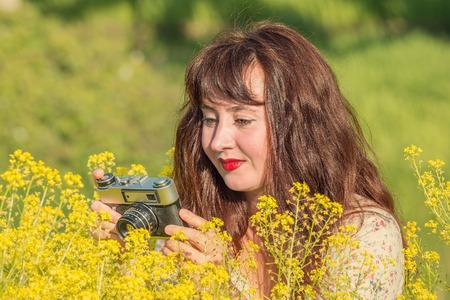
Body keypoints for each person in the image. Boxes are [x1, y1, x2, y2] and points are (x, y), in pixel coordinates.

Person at [91, 22, 404, 299]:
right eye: (209, 119)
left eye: (242, 120)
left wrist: (224, 287)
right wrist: (125, 261)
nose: (217, 142)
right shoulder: (194, 217)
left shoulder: (363, 233)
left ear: (298, 125)